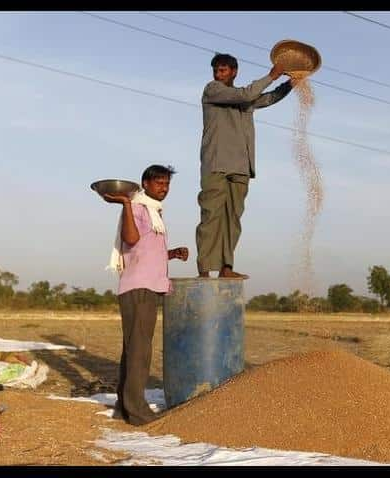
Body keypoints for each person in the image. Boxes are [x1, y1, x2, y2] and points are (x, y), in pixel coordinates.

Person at [195, 52, 296, 279]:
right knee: (211, 216)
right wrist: (272, 75)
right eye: (216, 70)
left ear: (234, 72)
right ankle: (204, 270)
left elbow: (267, 98)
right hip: (216, 163)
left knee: (233, 218)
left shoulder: (244, 98)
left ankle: (226, 267)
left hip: (241, 166)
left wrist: (289, 84)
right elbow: (247, 93)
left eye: (223, 70)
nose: (218, 74)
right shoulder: (212, 90)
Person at [104, 164, 189, 425]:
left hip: (145, 286)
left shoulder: (153, 213)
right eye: (159, 183)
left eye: (167, 184)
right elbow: (130, 239)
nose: (164, 188)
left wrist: (171, 253)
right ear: (145, 184)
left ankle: (124, 406)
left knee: (133, 349)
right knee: (140, 351)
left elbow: (145, 250)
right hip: (138, 288)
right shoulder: (139, 208)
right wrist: (125, 205)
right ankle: (138, 411)